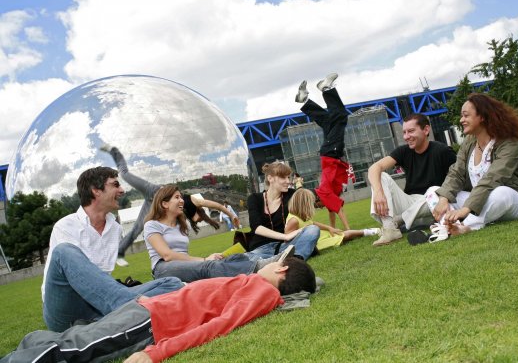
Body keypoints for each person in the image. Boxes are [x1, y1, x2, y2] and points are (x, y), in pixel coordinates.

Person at [0, 252, 315, 363]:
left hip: (152, 320)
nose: (271, 263)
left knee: (77, 345)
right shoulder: (255, 284)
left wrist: (155, 353)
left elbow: (219, 326)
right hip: (147, 307)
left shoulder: (263, 292)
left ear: (282, 271)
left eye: (277, 261)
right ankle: (26, 347)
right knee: (78, 336)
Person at [41, 167, 183, 333]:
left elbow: (103, 280)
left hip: (100, 304)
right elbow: (78, 279)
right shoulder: (65, 226)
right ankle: (131, 308)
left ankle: (104, 323)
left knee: (172, 283)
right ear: (96, 191)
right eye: (115, 185)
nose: (122, 190)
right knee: (63, 252)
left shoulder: (115, 229)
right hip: (66, 308)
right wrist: (124, 296)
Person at [424, 93, 518, 238]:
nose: (461, 120)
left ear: (482, 116)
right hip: (481, 203)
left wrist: (466, 208)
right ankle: (446, 228)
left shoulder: (508, 142)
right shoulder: (469, 141)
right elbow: (456, 173)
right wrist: (444, 198)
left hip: (515, 199)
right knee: (434, 191)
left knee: (501, 192)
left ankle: (465, 227)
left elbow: (493, 178)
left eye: (466, 115)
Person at [100, 145, 240, 267]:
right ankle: (115, 152)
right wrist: (232, 215)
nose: (198, 221)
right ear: (199, 212)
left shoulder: (182, 218)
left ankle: (119, 252)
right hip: (153, 191)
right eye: (200, 219)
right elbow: (218, 206)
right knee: (124, 174)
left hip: (154, 204)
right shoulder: (194, 201)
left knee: (137, 228)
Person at [144, 185, 290, 282]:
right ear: (164, 203)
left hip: (182, 265)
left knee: (228, 258)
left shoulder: (181, 226)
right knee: (208, 265)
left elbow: (184, 256)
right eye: (176, 197)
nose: (182, 200)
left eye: (181, 197)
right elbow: (167, 255)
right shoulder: (151, 225)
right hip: (163, 269)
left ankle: (258, 264)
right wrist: (204, 259)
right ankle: (261, 267)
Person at [367, 113, 457, 246]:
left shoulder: (443, 151)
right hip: (410, 203)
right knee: (380, 176)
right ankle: (390, 229)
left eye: (411, 131)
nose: (406, 137)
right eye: (404, 132)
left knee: (437, 191)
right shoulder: (404, 151)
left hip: (433, 206)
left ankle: (398, 221)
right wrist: (379, 192)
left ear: (426, 130)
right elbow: (374, 168)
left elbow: (457, 179)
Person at [295, 73, 352, 230]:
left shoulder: (324, 192)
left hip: (331, 153)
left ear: (317, 200)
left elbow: (338, 209)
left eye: (318, 206)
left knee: (340, 117)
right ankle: (304, 100)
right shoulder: (326, 193)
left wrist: (348, 229)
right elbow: (332, 212)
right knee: (327, 121)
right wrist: (333, 230)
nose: (321, 207)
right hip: (329, 153)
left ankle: (326, 89)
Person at [247, 161, 320, 260]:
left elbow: (309, 196)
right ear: (270, 178)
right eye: (283, 177)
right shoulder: (254, 198)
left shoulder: (292, 195)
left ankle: (295, 259)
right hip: (261, 249)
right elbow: (256, 227)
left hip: (285, 246)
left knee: (313, 229)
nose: (288, 181)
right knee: (243, 261)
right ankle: (283, 259)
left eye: (288, 177)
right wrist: (285, 236)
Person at [285, 188, 380, 250]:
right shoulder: (293, 220)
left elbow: (312, 223)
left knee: (340, 234)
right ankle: (366, 232)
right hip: (314, 243)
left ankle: (366, 232)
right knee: (344, 237)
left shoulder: (302, 215)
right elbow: (288, 239)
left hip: (317, 238)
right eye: (311, 203)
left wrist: (330, 228)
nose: (314, 206)